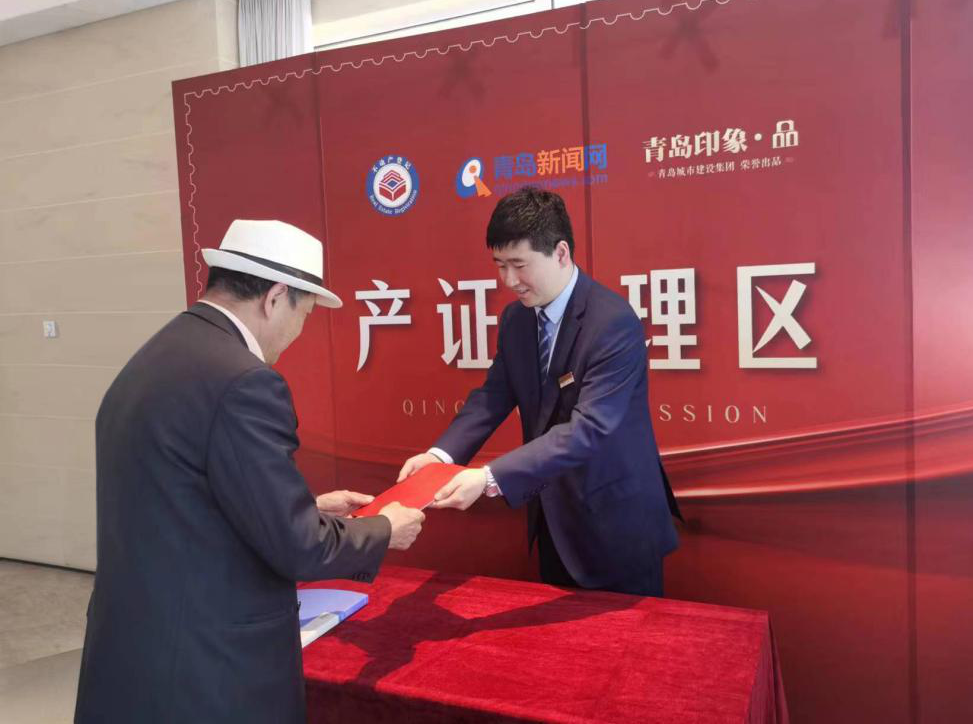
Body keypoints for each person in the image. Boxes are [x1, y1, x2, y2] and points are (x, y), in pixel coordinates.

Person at [75, 219, 425, 724]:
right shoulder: (246, 381)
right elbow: (297, 545)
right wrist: (383, 529)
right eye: (304, 314)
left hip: (134, 650)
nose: (299, 332)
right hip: (207, 669)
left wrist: (309, 508)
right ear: (275, 297)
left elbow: (183, 499)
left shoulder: (157, 354)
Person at [398, 187, 679, 597]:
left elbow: (589, 429)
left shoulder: (612, 323)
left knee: (623, 640)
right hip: (552, 517)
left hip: (617, 525)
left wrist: (489, 478)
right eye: (500, 265)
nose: (508, 281)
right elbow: (493, 397)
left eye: (519, 265)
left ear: (561, 253)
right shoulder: (517, 319)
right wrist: (440, 457)